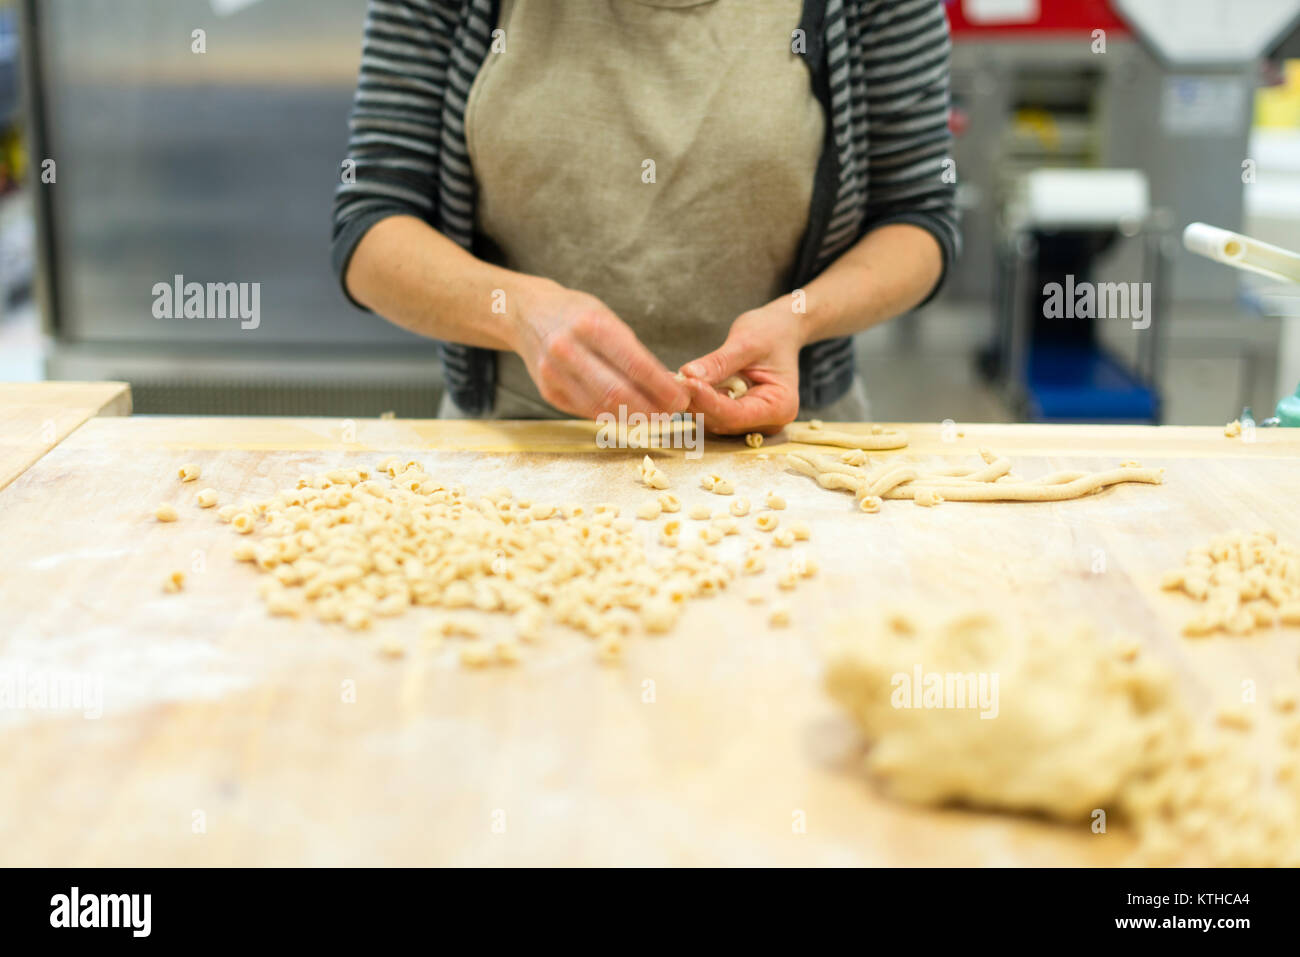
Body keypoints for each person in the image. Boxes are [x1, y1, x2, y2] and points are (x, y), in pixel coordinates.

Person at [333, 0, 959, 434]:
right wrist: (520, 313)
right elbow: (373, 222)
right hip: (515, 447)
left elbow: (917, 215)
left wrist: (799, 319)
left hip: (790, 456)